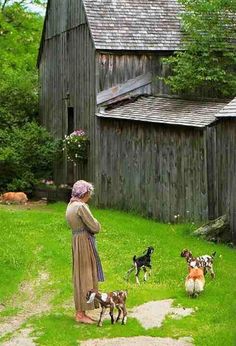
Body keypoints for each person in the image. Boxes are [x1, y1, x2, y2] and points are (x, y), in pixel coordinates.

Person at [66, 180, 104, 324]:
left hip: (76, 240)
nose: (90, 196)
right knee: (86, 275)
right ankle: (81, 314)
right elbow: (95, 227)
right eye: (89, 193)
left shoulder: (70, 206)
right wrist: (97, 223)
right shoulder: (81, 207)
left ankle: (80, 312)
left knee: (80, 275)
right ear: (85, 193)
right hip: (83, 242)